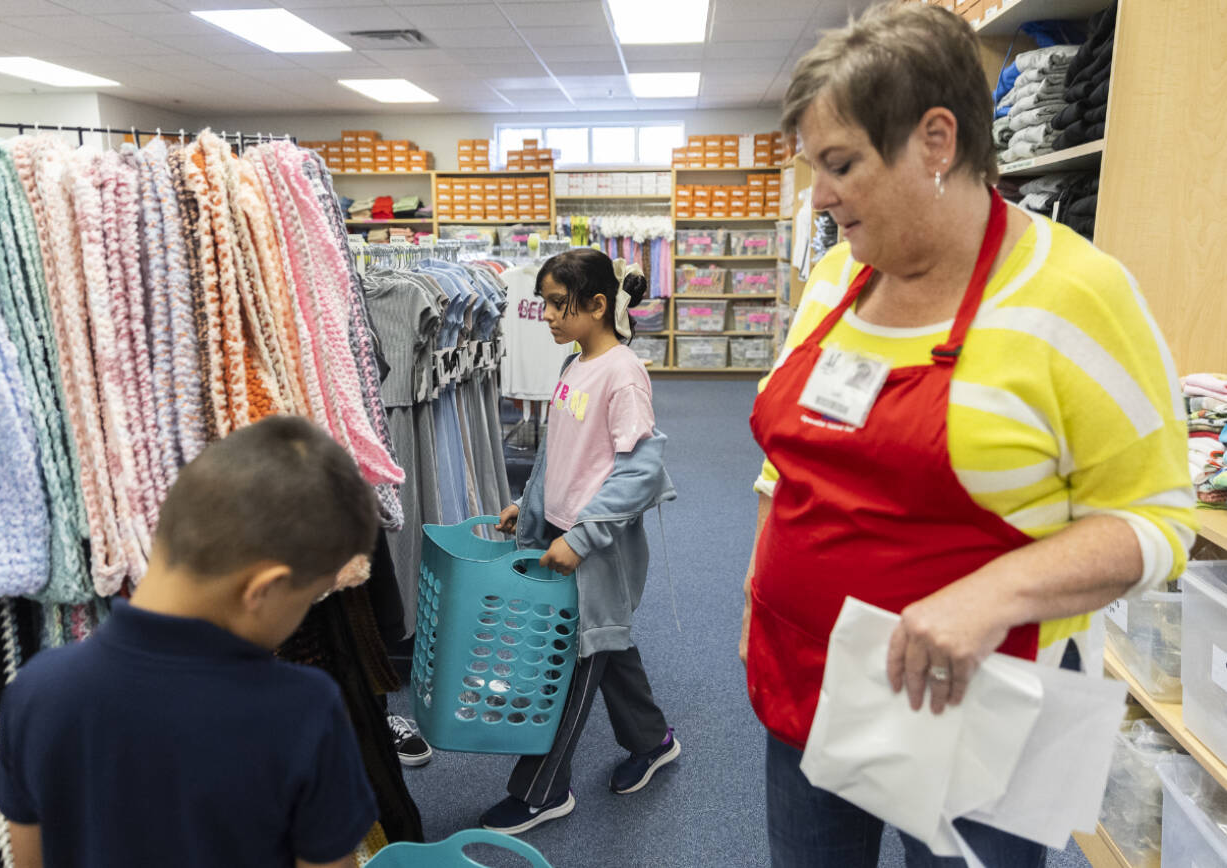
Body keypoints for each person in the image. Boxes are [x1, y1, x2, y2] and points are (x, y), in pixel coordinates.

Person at [742, 5, 1196, 867]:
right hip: (807, 675)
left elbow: (1158, 520)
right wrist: (756, 585)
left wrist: (994, 594)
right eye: (814, 169)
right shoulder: (838, 274)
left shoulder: (1076, 296)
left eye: (839, 165)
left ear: (936, 140)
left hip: (986, 706)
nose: (819, 197)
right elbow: (791, 461)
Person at [0, 416, 383, 868]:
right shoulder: (306, 711)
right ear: (263, 589)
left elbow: (28, 861)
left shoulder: (35, 690)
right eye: (308, 599)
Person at [480, 248, 679, 834]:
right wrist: (529, 504)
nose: (545, 314)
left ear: (597, 305)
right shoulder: (573, 367)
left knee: (573, 660)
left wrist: (585, 535)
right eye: (543, 301)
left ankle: (543, 791)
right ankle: (653, 739)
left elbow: (640, 471)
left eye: (556, 303)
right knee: (607, 646)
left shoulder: (624, 373)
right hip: (563, 534)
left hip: (598, 549)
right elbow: (557, 454)